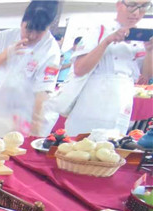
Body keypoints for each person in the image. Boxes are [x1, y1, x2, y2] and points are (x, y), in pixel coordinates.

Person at [0, 0, 61, 138]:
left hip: (20, 119)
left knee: (12, 149)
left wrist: (35, 131)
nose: (32, 36)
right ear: (22, 22)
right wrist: (5, 55)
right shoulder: (4, 37)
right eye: (28, 29)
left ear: (49, 27)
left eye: (39, 32)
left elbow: (42, 94)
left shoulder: (50, 50)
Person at [63, 0, 153, 136]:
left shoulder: (141, 38)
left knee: (112, 144)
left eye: (143, 7)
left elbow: (146, 76)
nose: (136, 12)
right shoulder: (99, 30)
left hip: (122, 103)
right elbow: (79, 69)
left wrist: (150, 51)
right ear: (119, 4)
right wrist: (107, 41)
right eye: (132, 5)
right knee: (78, 143)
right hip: (92, 101)